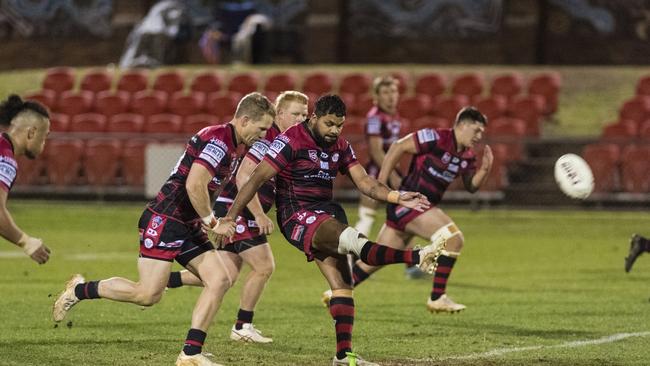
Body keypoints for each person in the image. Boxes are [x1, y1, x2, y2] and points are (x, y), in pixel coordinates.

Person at [217, 95, 446, 366]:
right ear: (314, 118)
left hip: (326, 213)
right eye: (329, 124)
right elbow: (256, 178)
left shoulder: (340, 145)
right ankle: (415, 257)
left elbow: (365, 182)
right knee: (354, 242)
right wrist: (230, 216)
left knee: (343, 286)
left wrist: (396, 196)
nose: (335, 130)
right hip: (297, 216)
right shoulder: (291, 140)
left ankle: (343, 355)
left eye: (339, 125)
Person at [52, 92, 275, 366]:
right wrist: (213, 222)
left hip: (186, 223)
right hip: (166, 220)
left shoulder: (231, 143)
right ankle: (79, 290)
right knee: (147, 295)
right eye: (261, 128)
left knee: (221, 278)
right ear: (244, 120)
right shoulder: (218, 140)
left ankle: (190, 354)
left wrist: (207, 220)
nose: (264, 134)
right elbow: (195, 184)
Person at [167, 91, 309, 344]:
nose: (301, 119)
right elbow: (244, 176)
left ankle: (166, 280)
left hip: (233, 209)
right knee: (264, 267)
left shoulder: (284, 140)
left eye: (305, 115)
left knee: (225, 276)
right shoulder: (269, 139)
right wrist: (258, 214)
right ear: (281, 114)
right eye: (296, 114)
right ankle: (242, 326)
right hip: (239, 211)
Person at [324, 106, 493, 314]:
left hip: (413, 209)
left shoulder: (466, 156)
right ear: (463, 125)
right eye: (476, 130)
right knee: (454, 238)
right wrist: (382, 184)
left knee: (374, 261)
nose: (479, 136)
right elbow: (398, 146)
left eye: (482, 133)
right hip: (410, 203)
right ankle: (437, 297)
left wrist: (484, 170)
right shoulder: (436, 138)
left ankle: (336, 293)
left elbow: (472, 186)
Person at [0, 95, 51, 265]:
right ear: (31, 133)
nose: (43, 144)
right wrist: (26, 241)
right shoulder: (5, 158)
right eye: (44, 137)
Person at [353, 76, 402, 237]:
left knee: (404, 216)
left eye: (393, 91)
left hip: (390, 168)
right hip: (378, 171)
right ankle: (352, 253)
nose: (391, 96)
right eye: (386, 92)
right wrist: (392, 174)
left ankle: (407, 257)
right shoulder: (375, 117)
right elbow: (376, 150)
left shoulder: (393, 115)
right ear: (377, 96)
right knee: (367, 215)